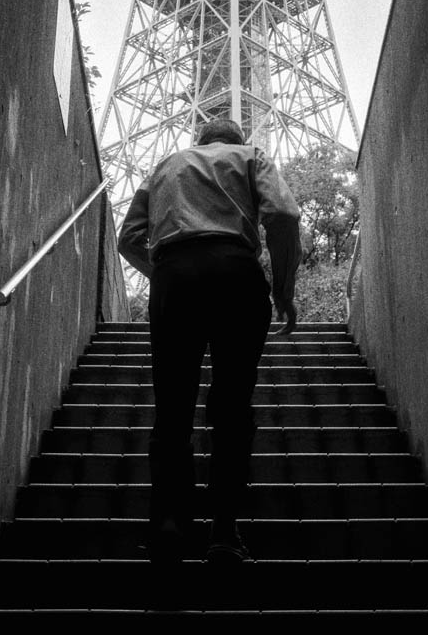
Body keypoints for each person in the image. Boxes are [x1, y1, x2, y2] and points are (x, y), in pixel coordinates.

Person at [118, 118, 301, 566]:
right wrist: (282, 290)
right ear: (237, 140)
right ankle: (224, 532)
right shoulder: (250, 156)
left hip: (174, 277)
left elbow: (128, 238)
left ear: (200, 141)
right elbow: (284, 215)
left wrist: (167, 273)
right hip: (236, 274)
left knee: (173, 408)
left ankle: (169, 526)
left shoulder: (167, 165)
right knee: (232, 407)